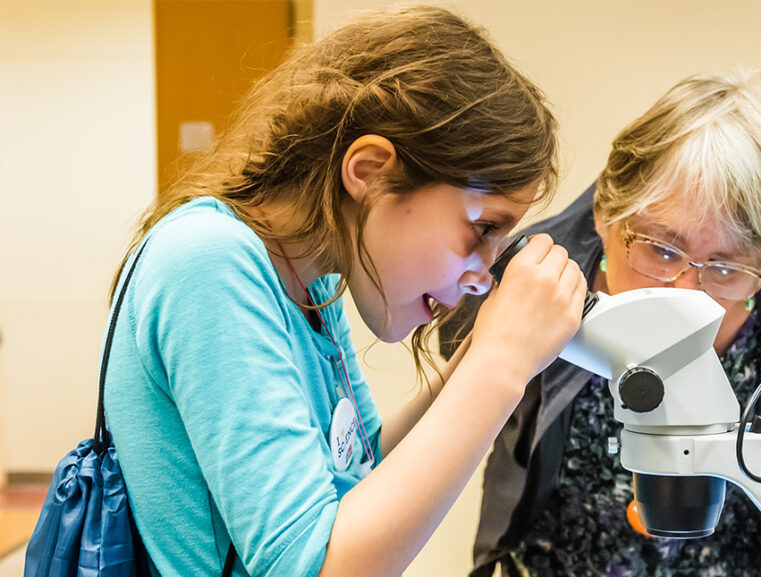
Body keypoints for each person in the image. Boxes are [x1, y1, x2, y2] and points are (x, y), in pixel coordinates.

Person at [102, 6, 587, 576]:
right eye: (483, 228)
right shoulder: (208, 261)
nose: (484, 273)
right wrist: (500, 367)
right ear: (371, 170)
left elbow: (359, 473)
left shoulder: (315, 276)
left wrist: (482, 353)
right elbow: (314, 566)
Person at [441, 70, 761, 577]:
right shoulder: (526, 294)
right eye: (662, 249)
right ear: (607, 217)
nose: (684, 294)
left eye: (724, 267)